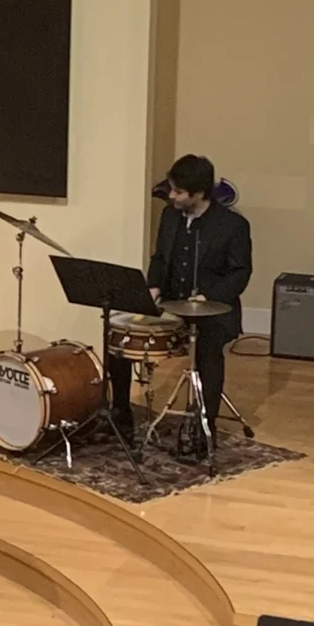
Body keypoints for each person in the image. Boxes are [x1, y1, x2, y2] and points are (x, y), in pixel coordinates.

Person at [109, 154, 252, 450]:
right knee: (118, 336)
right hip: (170, 304)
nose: (171, 196)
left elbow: (241, 272)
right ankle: (121, 414)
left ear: (198, 193)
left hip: (213, 310)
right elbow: (160, 258)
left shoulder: (233, 225)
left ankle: (204, 424)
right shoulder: (170, 216)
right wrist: (153, 288)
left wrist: (209, 297)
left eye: (178, 191)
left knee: (209, 354)